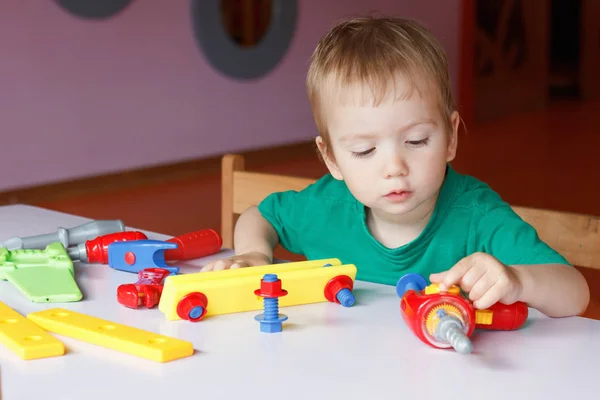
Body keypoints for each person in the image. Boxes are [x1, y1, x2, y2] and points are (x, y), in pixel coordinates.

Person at [202, 16, 589, 317]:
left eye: (417, 141)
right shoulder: (326, 205)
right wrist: (254, 254)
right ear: (332, 158)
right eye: (365, 150)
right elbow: (259, 216)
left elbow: (576, 293)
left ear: (451, 137)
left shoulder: (477, 216)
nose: (394, 167)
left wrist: (520, 280)